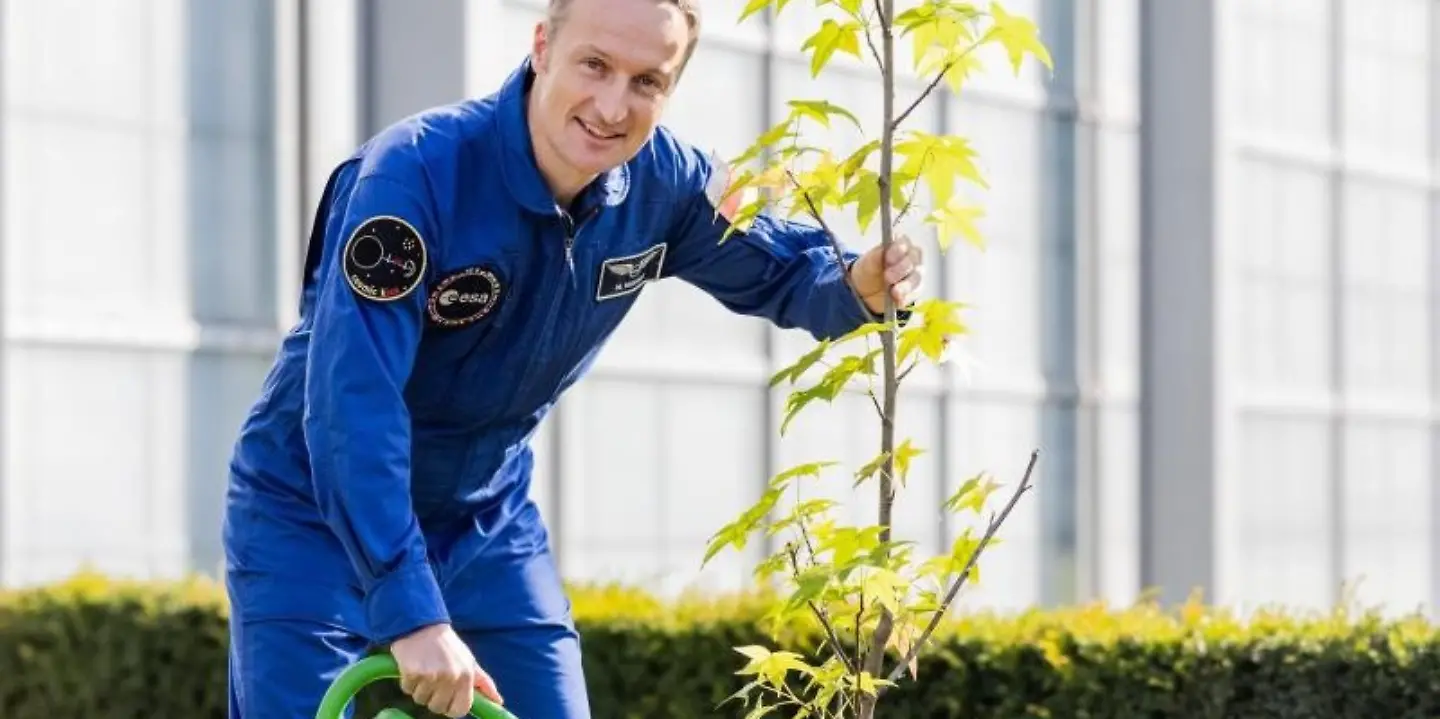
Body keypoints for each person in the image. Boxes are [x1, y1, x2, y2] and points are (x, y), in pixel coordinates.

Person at [221, 0, 925, 716]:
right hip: (314, 513)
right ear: (542, 48)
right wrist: (411, 612)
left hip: (484, 518)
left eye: (647, 82)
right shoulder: (411, 178)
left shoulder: (669, 184)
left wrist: (853, 287)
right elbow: (352, 407)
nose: (613, 105)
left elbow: (781, 267)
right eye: (595, 65)